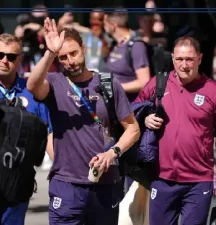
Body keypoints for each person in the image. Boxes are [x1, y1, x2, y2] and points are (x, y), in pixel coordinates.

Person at [26, 18, 140, 225]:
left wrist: (112, 152)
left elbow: (132, 129)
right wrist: (50, 53)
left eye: (74, 53)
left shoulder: (108, 84)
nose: (70, 61)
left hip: (105, 184)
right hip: (66, 185)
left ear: (84, 49)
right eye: (63, 57)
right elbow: (32, 86)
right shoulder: (54, 83)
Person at [135, 36, 216, 225]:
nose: (184, 65)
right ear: (173, 58)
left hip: (198, 180)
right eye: (179, 59)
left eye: (189, 59)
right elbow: (132, 111)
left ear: (200, 58)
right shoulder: (159, 83)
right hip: (161, 178)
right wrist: (145, 118)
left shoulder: (213, 91)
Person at [0, 33, 53, 225]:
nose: (5, 61)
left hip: (18, 182)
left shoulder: (32, 92)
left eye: (11, 57)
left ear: (20, 59)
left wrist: (63, 170)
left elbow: (49, 133)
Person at [103, 9, 151, 103]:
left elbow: (144, 82)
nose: (103, 27)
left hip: (130, 108)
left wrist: (114, 87)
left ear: (113, 25)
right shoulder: (116, 44)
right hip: (115, 106)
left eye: (105, 23)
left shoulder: (136, 46)